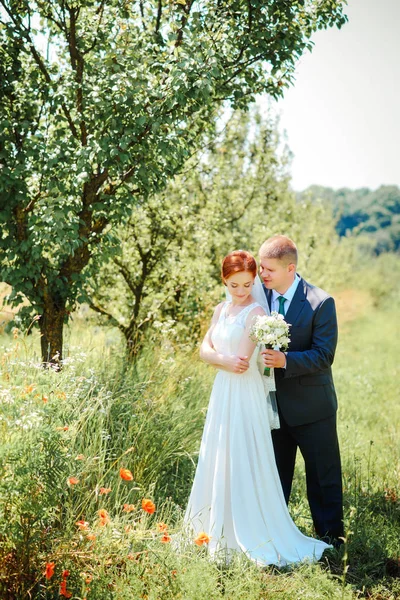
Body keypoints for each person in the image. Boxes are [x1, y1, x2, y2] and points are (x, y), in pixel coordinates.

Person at [184, 250, 331, 566]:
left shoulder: (255, 313)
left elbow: (238, 362)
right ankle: (214, 524)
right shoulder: (220, 309)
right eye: (234, 284)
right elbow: (203, 349)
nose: (241, 291)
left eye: (247, 284)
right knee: (218, 452)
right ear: (224, 281)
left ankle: (247, 527)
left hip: (243, 391)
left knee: (240, 452)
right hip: (222, 392)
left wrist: (217, 358)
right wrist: (216, 357)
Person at [259, 235, 344, 547]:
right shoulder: (261, 299)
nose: (262, 275)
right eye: (260, 268)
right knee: (274, 478)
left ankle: (332, 542)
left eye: (268, 269)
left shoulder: (320, 302)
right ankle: (275, 537)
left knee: (323, 478)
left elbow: (325, 356)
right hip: (272, 407)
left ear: (290, 268)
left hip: (313, 408)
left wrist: (284, 360)